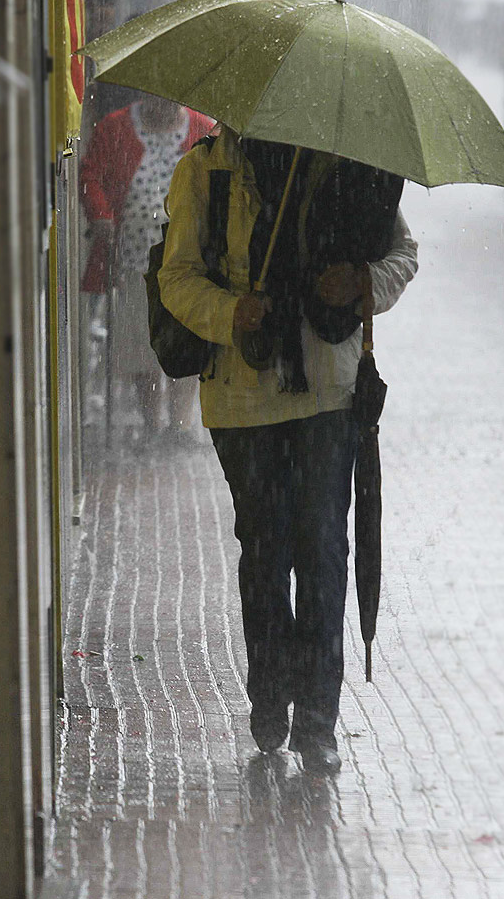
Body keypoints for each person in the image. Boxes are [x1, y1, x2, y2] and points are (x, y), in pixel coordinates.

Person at [159, 126, 418, 774]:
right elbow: (178, 275)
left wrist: (361, 281)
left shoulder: (343, 166)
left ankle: (317, 720)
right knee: (266, 548)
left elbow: (402, 252)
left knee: (324, 547)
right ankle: (270, 692)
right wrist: (231, 313)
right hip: (240, 400)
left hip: (328, 394)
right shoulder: (206, 172)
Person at [80, 95, 214, 446]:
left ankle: (181, 425)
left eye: (172, 99)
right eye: (157, 97)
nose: (164, 105)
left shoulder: (202, 128)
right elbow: (90, 175)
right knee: (141, 342)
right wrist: (102, 218)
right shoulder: (116, 127)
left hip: (189, 259)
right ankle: (153, 423)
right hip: (134, 259)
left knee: (186, 335)